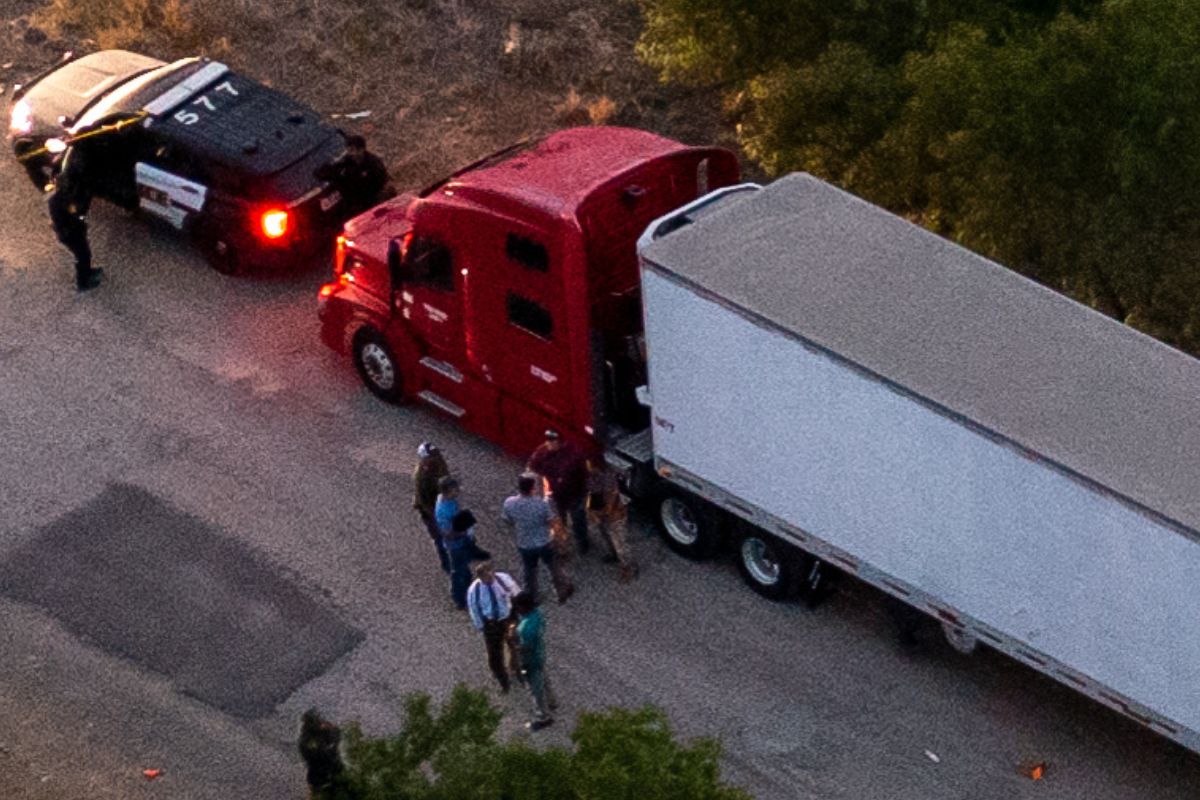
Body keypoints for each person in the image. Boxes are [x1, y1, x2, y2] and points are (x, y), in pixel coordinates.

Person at [501, 473, 573, 603]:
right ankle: (561, 590)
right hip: (544, 542)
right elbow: (551, 522)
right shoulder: (541, 504)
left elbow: (507, 520)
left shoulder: (509, 503)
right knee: (553, 566)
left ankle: (531, 596)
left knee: (529, 570)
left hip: (525, 543)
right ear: (533, 487)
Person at [47, 144, 103, 291]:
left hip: (72, 230)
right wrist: (79, 221)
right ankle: (83, 282)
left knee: (85, 254)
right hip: (70, 233)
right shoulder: (59, 201)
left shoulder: (60, 198)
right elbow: (70, 216)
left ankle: (88, 272)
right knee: (82, 255)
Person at [527, 429, 591, 555]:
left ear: (560, 442)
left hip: (575, 494)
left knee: (578, 520)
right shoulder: (542, 451)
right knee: (560, 521)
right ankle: (562, 545)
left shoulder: (574, 454)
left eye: (552, 442)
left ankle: (583, 542)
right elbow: (533, 466)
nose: (548, 444)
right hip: (556, 496)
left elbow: (584, 474)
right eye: (548, 441)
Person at [466, 560, 523, 692]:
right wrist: (481, 626)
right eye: (487, 577)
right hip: (491, 623)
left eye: (491, 574)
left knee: (515, 645)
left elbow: (517, 593)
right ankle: (503, 680)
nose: (490, 578)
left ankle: (517, 669)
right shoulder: (475, 590)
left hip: (508, 618)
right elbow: (474, 609)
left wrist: (519, 612)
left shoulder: (503, 580)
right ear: (481, 577)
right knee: (494, 655)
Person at [315, 134, 391, 218]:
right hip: (357, 203)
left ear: (361, 150)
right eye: (349, 150)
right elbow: (331, 170)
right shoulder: (348, 162)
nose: (350, 153)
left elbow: (382, 185)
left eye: (352, 150)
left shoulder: (373, 164)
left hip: (373, 199)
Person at [586, 459, 638, 582]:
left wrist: (605, 513)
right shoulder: (587, 476)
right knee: (606, 536)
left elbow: (612, 495)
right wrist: (592, 512)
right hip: (599, 509)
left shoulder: (607, 475)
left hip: (615, 514)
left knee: (620, 543)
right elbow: (588, 495)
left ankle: (629, 567)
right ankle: (614, 555)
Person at [513, 591, 557, 731]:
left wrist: (514, 643)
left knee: (535, 688)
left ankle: (543, 716)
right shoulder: (537, 614)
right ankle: (552, 701)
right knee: (543, 677)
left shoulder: (526, 629)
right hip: (540, 653)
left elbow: (526, 648)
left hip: (530, 660)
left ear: (523, 607)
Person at [412, 442, 451, 573]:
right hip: (430, 511)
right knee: (439, 538)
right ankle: (446, 564)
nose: (436, 457)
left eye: (436, 454)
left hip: (443, 505)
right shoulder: (422, 478)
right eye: (432, 455)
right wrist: (437, 517)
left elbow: (446, 477)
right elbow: (424, 502)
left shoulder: (439, 463)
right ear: (425, 459)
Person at [298, 708, 344, 799]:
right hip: (319, 775)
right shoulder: (308, 741)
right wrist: (333, 746)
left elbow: (337, 732)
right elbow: (322, 755)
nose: (321, 723)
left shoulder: (325, 730)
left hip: (333, 771)